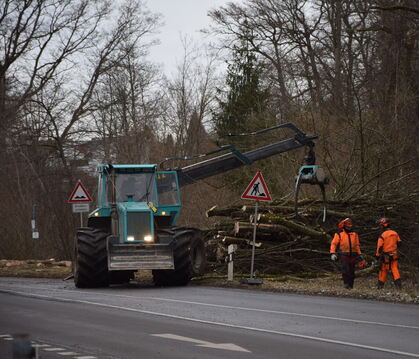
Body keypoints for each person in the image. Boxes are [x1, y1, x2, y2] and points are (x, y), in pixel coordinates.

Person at [330, 218, 364, 289]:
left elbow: (357, 245)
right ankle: (346, 284)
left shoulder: (354, 234)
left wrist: (360, 254)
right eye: (347, 225)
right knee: (346, 270)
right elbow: (334, 244)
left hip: (353, 255)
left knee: (352, 272)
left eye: (350, 225)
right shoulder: (339, 234)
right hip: (343, 254)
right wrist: (333, 253)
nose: (349, 226)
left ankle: (351, 286)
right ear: (344, 225)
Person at [375, 218, 402, 289]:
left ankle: (380, 287)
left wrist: (377, 256)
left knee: (383, 270)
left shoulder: (382, 235)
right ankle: (398, 286)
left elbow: (379, 247)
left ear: (382, 226)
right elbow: (399, 243)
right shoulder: (395, 233)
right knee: (394, 269)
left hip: (385, 255)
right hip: (394, 254)